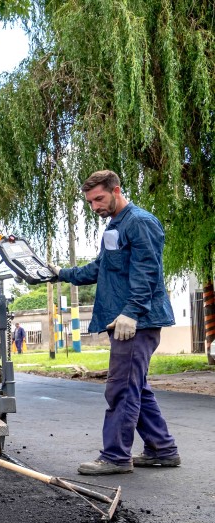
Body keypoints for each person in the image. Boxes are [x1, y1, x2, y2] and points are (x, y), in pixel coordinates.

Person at [52, 170, 180, 475]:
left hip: (136, 322)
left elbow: (147, 270)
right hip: (123, 320)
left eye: (99, 198)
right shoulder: (115, 226)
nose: (94, 206)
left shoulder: (139, 222)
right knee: (136, 388)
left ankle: (115, 457)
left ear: (116, 190)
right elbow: (102, 267)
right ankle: (162, 449)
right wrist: (59, 272)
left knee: (121, 389)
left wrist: (132, 311)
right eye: (90, 202)